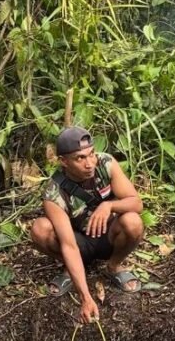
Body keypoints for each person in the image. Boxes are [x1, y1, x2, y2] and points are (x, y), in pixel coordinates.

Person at [30, 126, 145, 323]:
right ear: (63, 162)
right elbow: (68, 244)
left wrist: (109, 206)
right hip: (79, 243)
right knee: (40, 229)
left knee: (133, 221)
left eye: (91, 154)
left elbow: (137, 203)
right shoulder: (54, 192)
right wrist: (86, 297)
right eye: (80, 158)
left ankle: (114, 266)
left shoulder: (106, 163)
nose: (89, 163)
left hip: (109, 237)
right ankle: (70, 269)